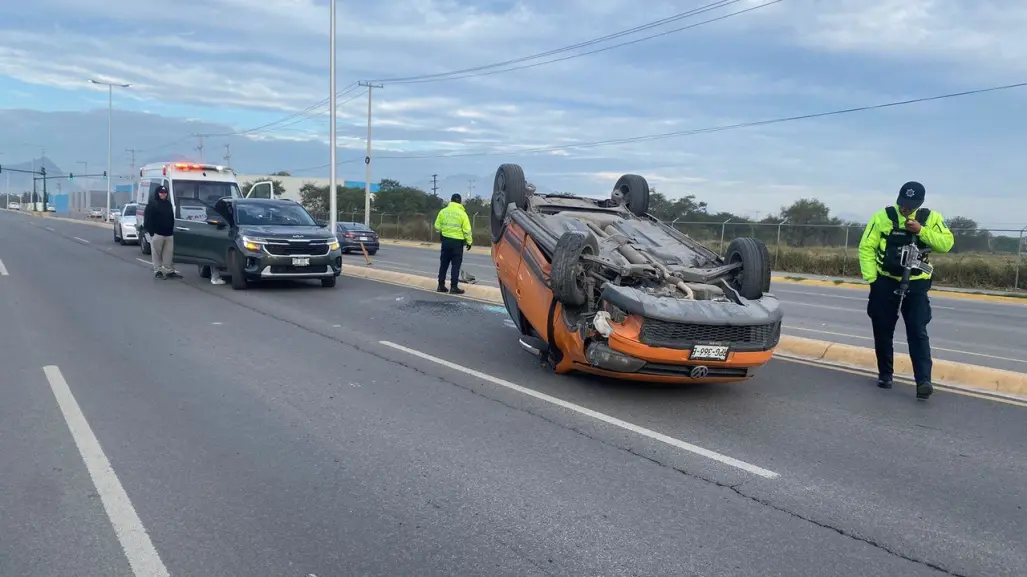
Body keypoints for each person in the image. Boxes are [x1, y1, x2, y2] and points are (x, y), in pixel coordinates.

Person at [858, 181, 954, 400]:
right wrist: (873, 279)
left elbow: (946, 244)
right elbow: (866, 247)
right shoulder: (882, 217)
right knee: (882, 328)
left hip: (917, 282)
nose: (906, 208)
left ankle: (923, 381)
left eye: (911, 205)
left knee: (917, 329)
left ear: (919, 203)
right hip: (886, 280)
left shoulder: (931, 218)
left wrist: (921, 231)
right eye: (903, 203)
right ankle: (885, 375)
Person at [434, 192, 473, 294]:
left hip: (446, 241)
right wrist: (469, 242)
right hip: (457, 243)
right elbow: (467, 230)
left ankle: (441, 285)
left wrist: (444, 231)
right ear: (460, 202)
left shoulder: (443, 212)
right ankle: (453, 287)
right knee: (455, 266)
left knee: (443, 264)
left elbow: (437, 226)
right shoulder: (462, 214)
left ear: (451, 201)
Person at [143, 185, 178, 279]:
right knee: (156, 254)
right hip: (157, 233)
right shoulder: (152, 204)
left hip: (169, 234)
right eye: (161, 192)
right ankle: (158, 270)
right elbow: (147, 220)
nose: (163, 194)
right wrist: (151, 232)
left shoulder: (168, 204)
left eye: (165, 192)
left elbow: (171, 218)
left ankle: (168, 270)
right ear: (157, 193)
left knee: (168, 254)